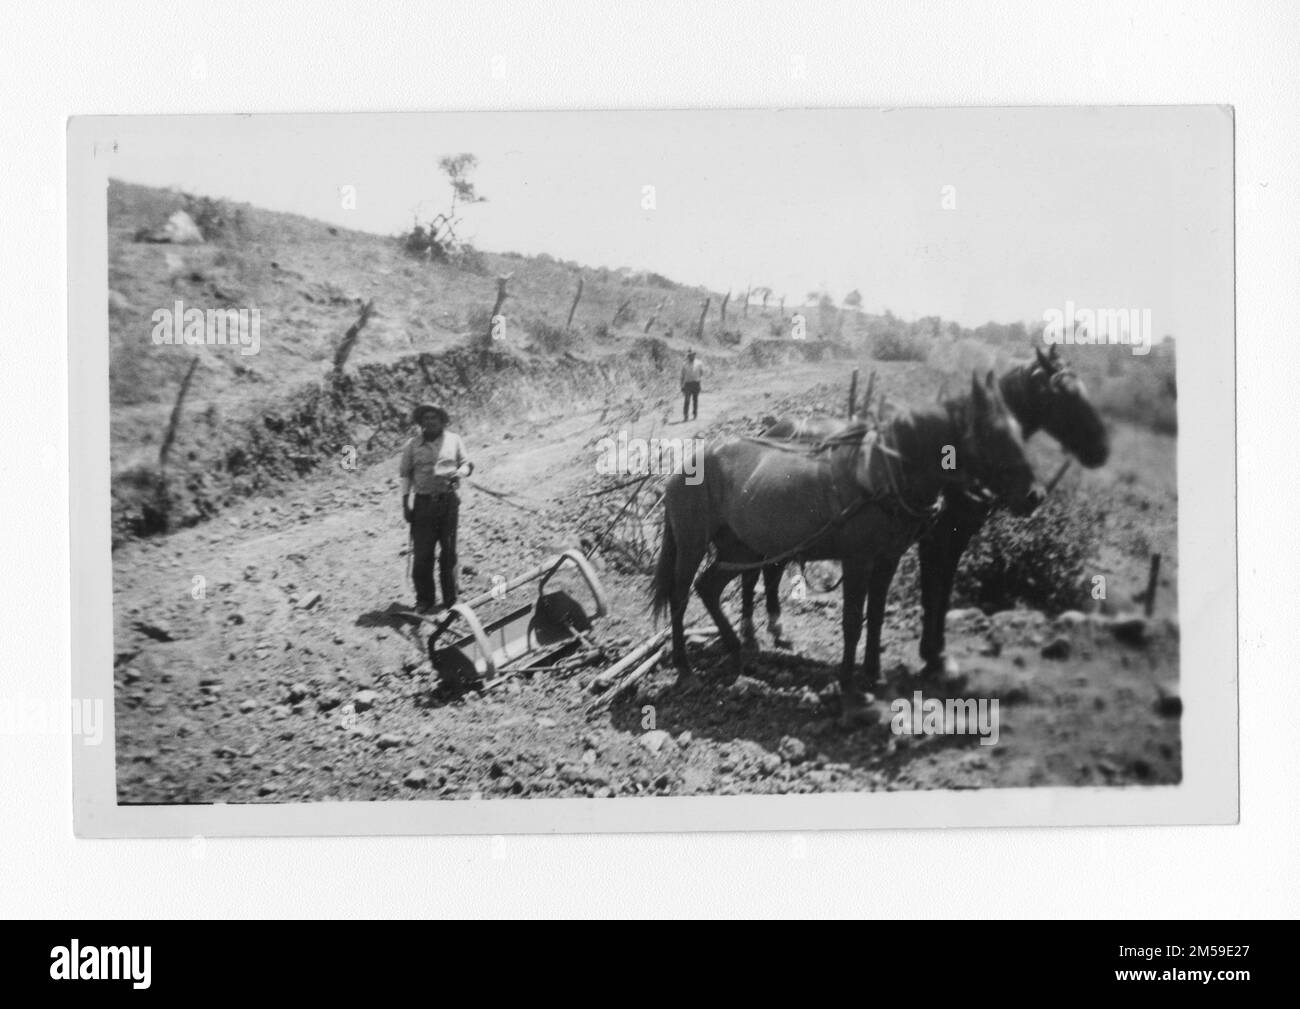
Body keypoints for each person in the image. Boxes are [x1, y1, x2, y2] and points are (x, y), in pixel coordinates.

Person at [399, 404, 473, 613]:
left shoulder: (454, 440)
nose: (430, 421)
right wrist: (406, 504)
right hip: (422, 505)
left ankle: (451, 599)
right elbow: (405, 475)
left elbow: (467, 464)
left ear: (442, 421)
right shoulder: (412, 446)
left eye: (434, 417)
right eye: (426, 418)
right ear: (420, 423)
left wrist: (460, 473)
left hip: (448, 503)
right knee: (422, 555)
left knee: (448, 553)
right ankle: (425, 600)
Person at [680, 349, 704, 421]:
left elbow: (701, 373)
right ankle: (686, 415)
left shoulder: (699, 363)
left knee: (695, 400)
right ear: (688, 356)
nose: (691, 356)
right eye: (690, 355)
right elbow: (682, 376)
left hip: (696, 383)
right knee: (687, 400)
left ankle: (695, 414)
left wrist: (699, 381)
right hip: (688, 384)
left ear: (694, 355)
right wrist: (682, 386)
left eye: (692, 355)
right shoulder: (684, 364)